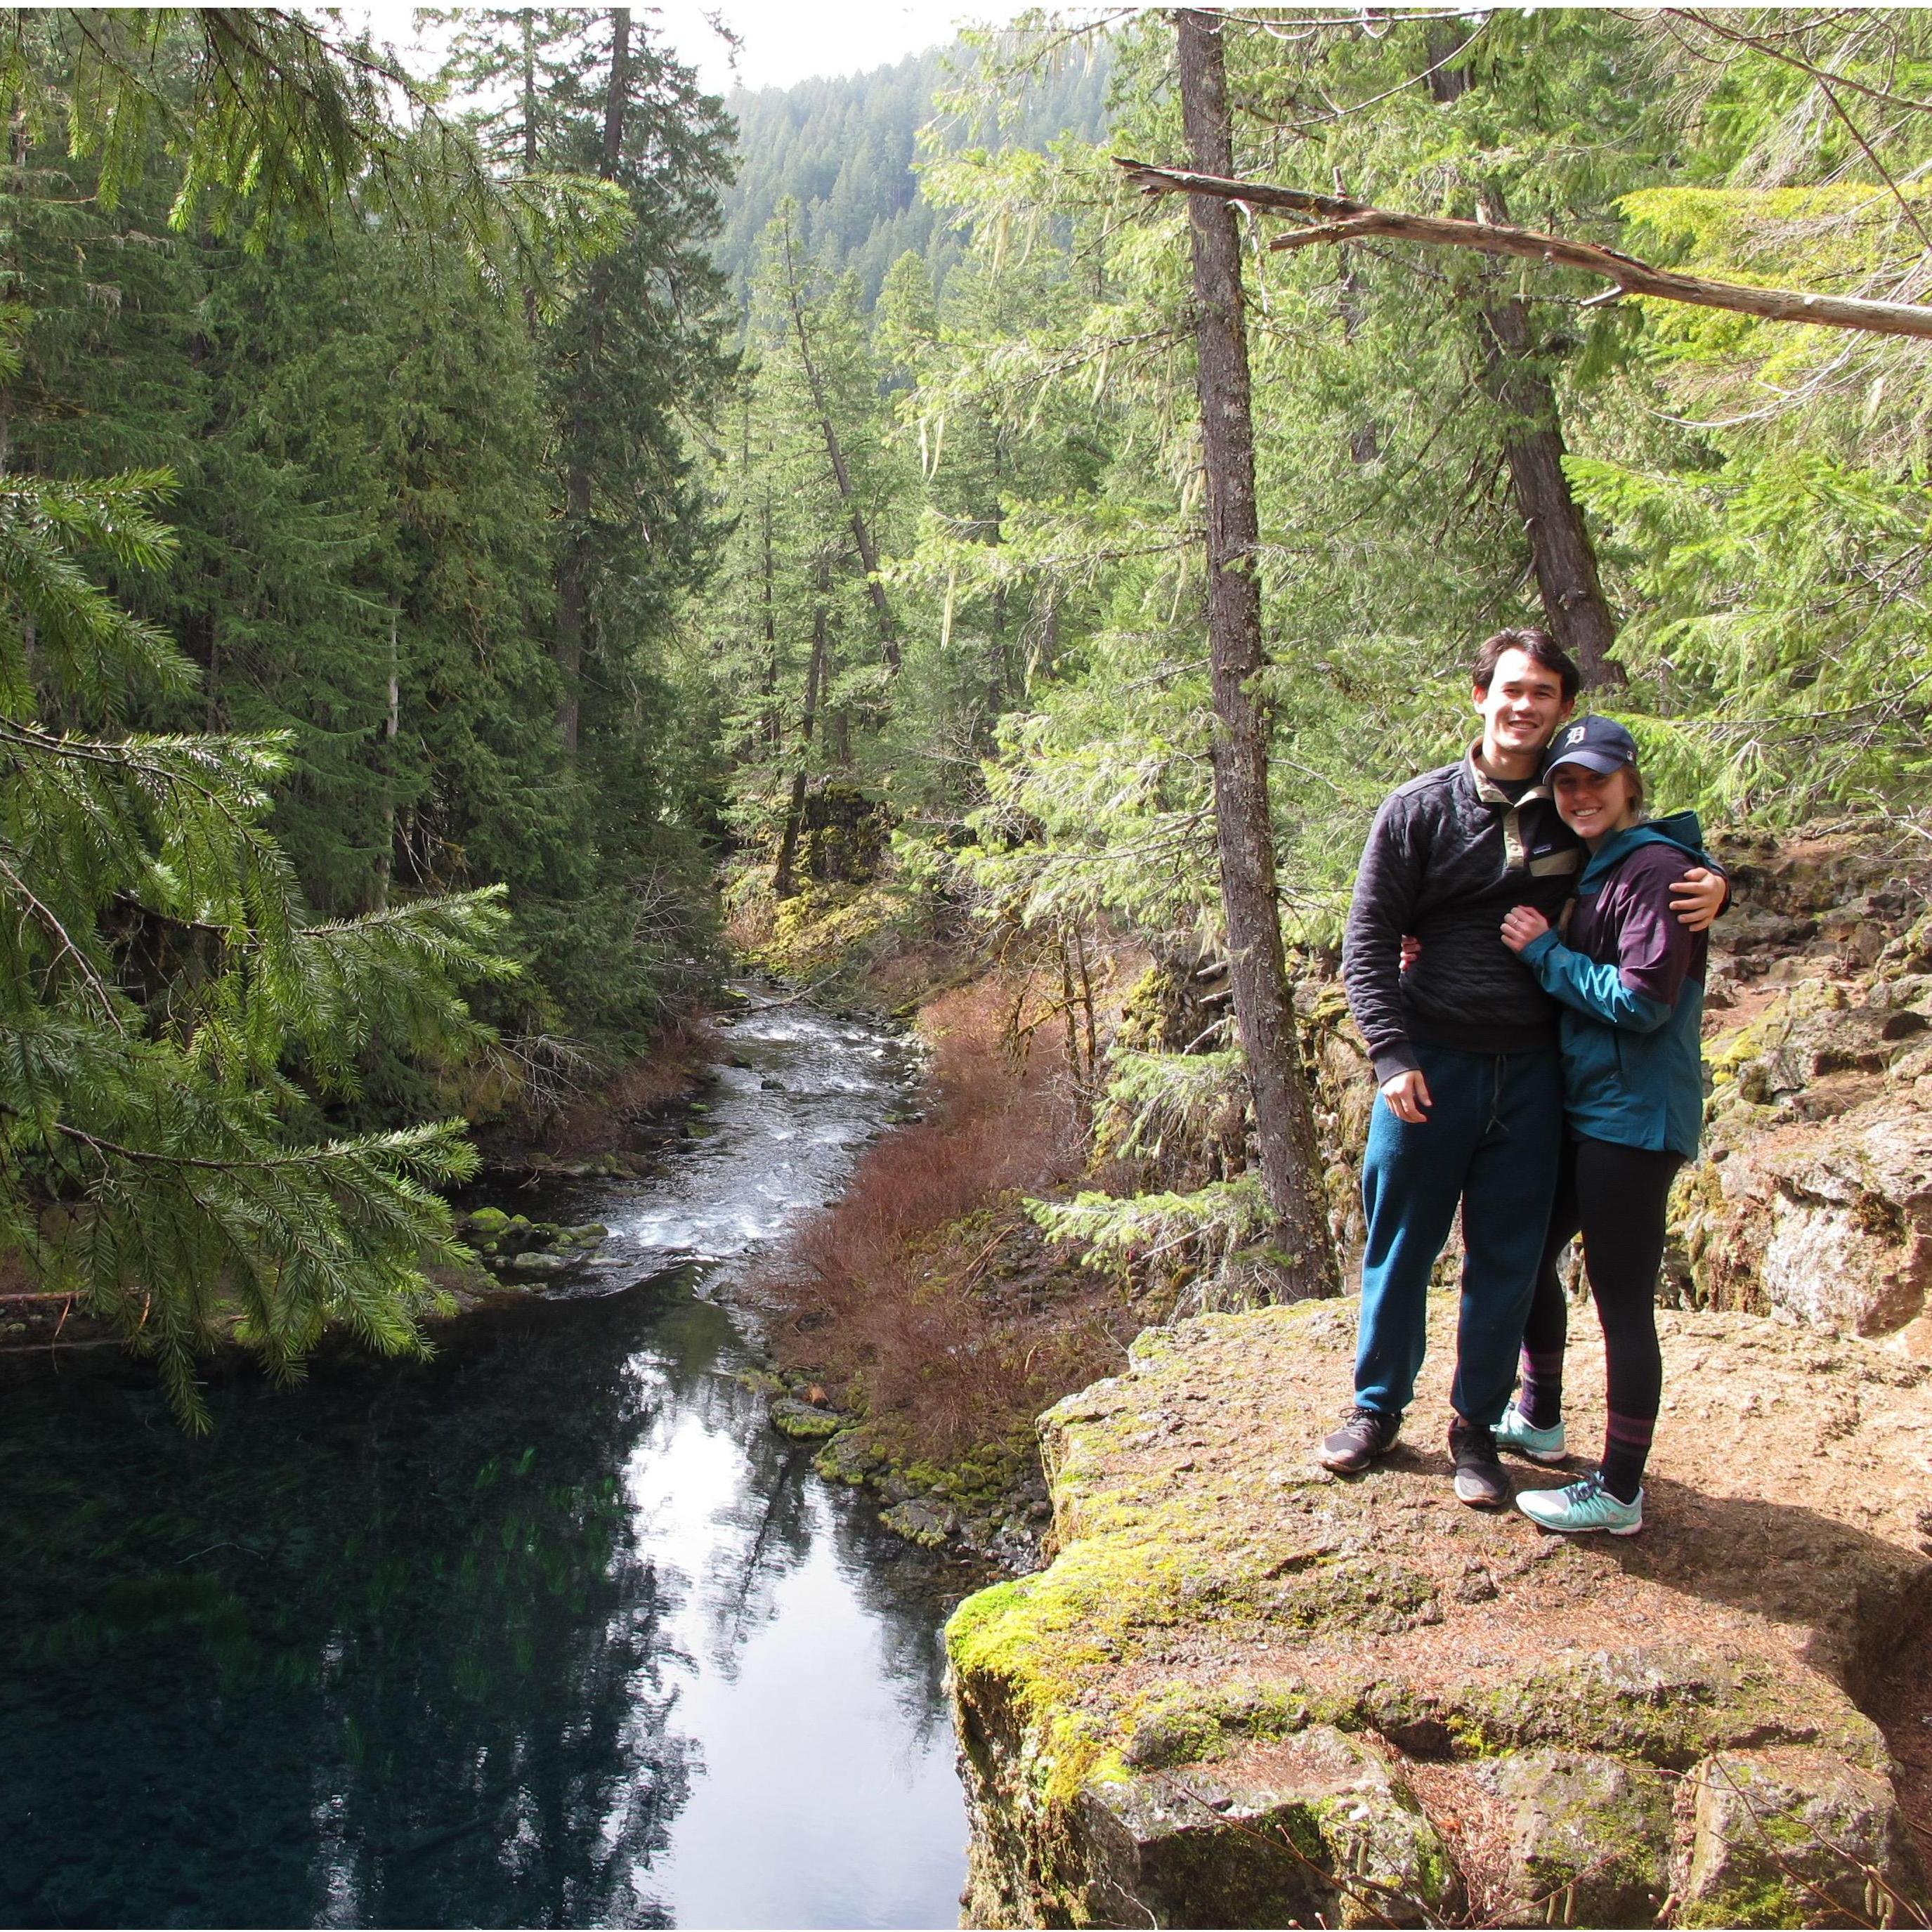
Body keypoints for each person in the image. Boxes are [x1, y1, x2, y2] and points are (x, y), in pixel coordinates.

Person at [1321, 628, 1725, 1508]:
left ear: (1561, 708)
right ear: (1478, 697)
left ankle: (1476, 1427)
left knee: (1505, 1257)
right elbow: (1365, 940)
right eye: (1509, 689)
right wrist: (1388, 1053)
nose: (1522, 706)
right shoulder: (1417, 808)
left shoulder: (1572, 802)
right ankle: (1374, 1407)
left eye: (1541, 692)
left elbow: (1652, 853)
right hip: (1428, 1063)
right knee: (1400, 1243)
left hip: (1537, 1072)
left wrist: (1716, 878)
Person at [1495, 716, 1710, 1534]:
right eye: (1566, 782)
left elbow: (1645, 1001)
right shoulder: (1604, 865)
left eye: (1595, 778)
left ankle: (1617, 1489)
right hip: (1590, 1107)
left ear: (1629, 782)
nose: (1580, 794)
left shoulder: (1655, 869)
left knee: (1621, 1299)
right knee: (1520, 1251)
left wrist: (1547, 954)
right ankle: (1539, 1413)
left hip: (1634, 1116)